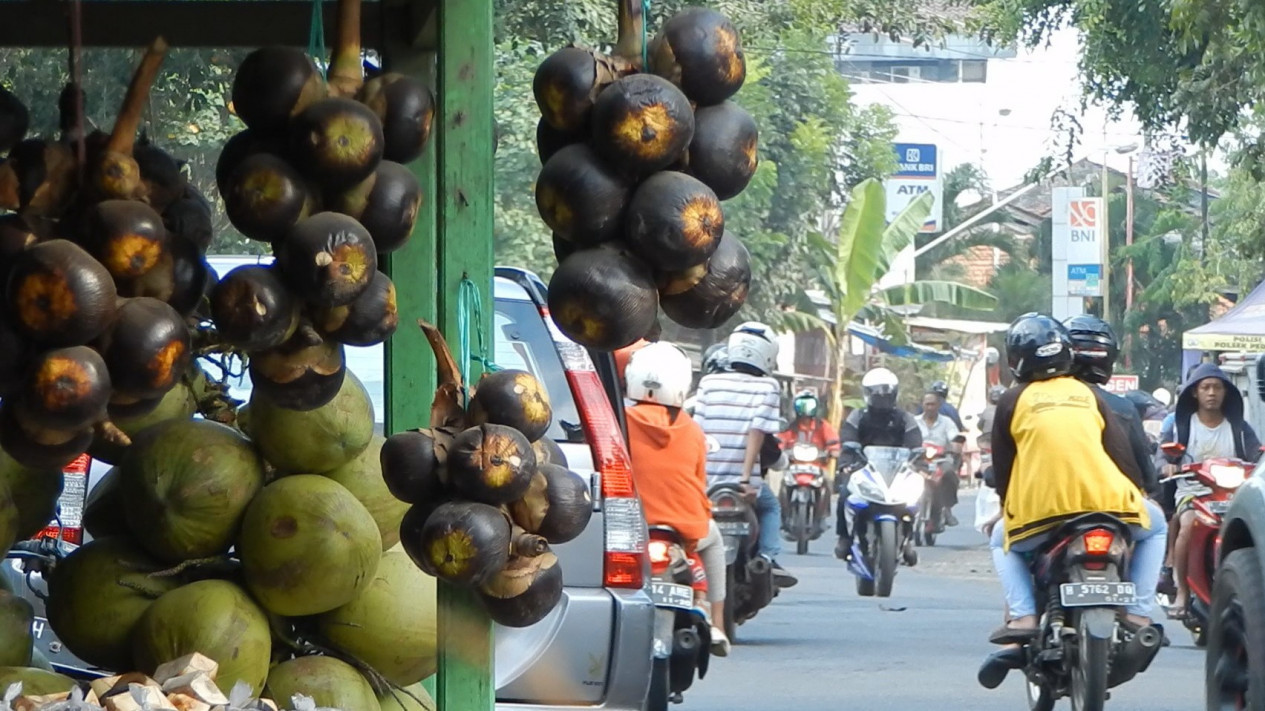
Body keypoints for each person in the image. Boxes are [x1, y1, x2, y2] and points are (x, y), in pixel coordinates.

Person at [978, 314, 1166, 689]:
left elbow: (1004, 468)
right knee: (1157, 527)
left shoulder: (1013, 400)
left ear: (1015, 360)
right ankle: (1142, 613)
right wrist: (1135, 494)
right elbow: (1120, 454)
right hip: (1111, 506)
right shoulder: (1092, 397)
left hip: (1041, 516)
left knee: (1001, 540)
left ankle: (1023, 618)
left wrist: (1006, 506)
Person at [622, 341, 731, 655]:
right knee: (716, 542)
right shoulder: (692, 429)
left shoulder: (618, 422)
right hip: (685, 528)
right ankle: (717, 623)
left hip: (633, 523)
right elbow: (699, 481)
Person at [691, 322, 798, 588]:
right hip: (741, 482)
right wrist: (746, 479)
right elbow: (757, 432)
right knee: (771, 506)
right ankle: (767, 556)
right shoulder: (768, 387)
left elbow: (698, 433)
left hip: (705, 481)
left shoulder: (708, 383)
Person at [1156, 362, 1261, 616]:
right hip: (1192, 492)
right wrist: (1167, 467)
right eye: (1206, 387)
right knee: (1188, 523)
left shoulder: (1239, 428)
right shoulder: (1181, 427)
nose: (1212, 393)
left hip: (1232, 495)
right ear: (1195, 392)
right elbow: (1161, 457)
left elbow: (1256, 454)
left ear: (1226, 393)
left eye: (1217, 387)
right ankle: (1182, 592)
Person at [1063, 315, 1160, 498]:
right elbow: (1147, 474)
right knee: (1158, 525)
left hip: (1052, 509)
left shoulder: (1035, 403)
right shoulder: (1125, 409)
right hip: (1116, 508)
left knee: (999, 528)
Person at [835, 367, 922, 559]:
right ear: (868, 394)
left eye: (886, 392)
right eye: (877, 393)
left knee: (915, 497)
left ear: (893, 393)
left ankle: (909, 539)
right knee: (844, 494)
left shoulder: (904, 418)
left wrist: (917, 460)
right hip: (864, 469)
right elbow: (847, 441)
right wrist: (847, 463)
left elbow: (915, 442)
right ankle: (844, 537)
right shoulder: (858, 416)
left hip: (898, 471)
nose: (881, 397)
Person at [778, 390, 839, 534]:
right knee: (783, 486)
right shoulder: (790, 427)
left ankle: (822, 516)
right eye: (802, 405)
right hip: (794, 466)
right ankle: (784, 515)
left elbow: (834, 442)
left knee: (827, 483)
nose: (806, 409)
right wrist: (779, 450)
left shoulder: (822, 426)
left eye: (809, 404)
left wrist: (832, 451)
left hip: (817, 466)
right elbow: (780, 441)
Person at [917, 389, 962, 528]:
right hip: (918, 461)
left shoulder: (947, 422)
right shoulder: (914, 422)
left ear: (938, 405)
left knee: (949, 473)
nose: (930, 407)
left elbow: (955, 438)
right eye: (927, 404)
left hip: (940, 460)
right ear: (922, 405)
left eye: (933, 404)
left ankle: (947, 507)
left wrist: (954, 447)